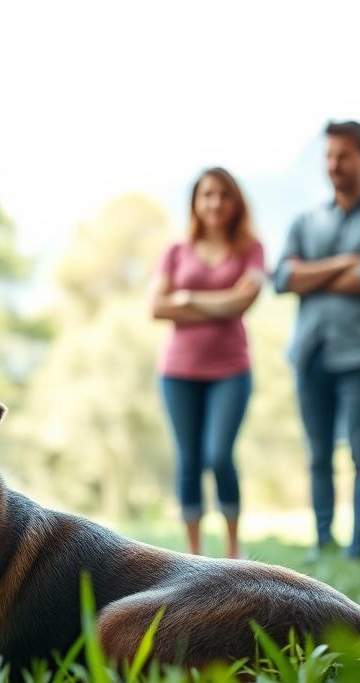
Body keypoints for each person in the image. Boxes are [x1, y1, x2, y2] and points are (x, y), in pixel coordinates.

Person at [273, 121, 360, 561]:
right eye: (328, 156)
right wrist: (347, 261)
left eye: (343, 156)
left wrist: (312, 275)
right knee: (318, 454)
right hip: (310, 352)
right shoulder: (305, 220)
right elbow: (283, 278)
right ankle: (322, 540)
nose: (334, 165)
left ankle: (357, 547)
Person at [150, 167, 265, 559]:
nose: (215, 202)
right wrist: (221, 303)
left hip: (231, 370)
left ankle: (233, 550)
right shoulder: (176, 251)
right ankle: (194, 555)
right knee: (189, 461)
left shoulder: (250, 249)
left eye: (223, 194)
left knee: (218, 455)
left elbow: (244, 301)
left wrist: (188, 299)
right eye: (207, 195)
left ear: (236, 202)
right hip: (177, 373)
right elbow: (156, 307)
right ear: (196, 203)